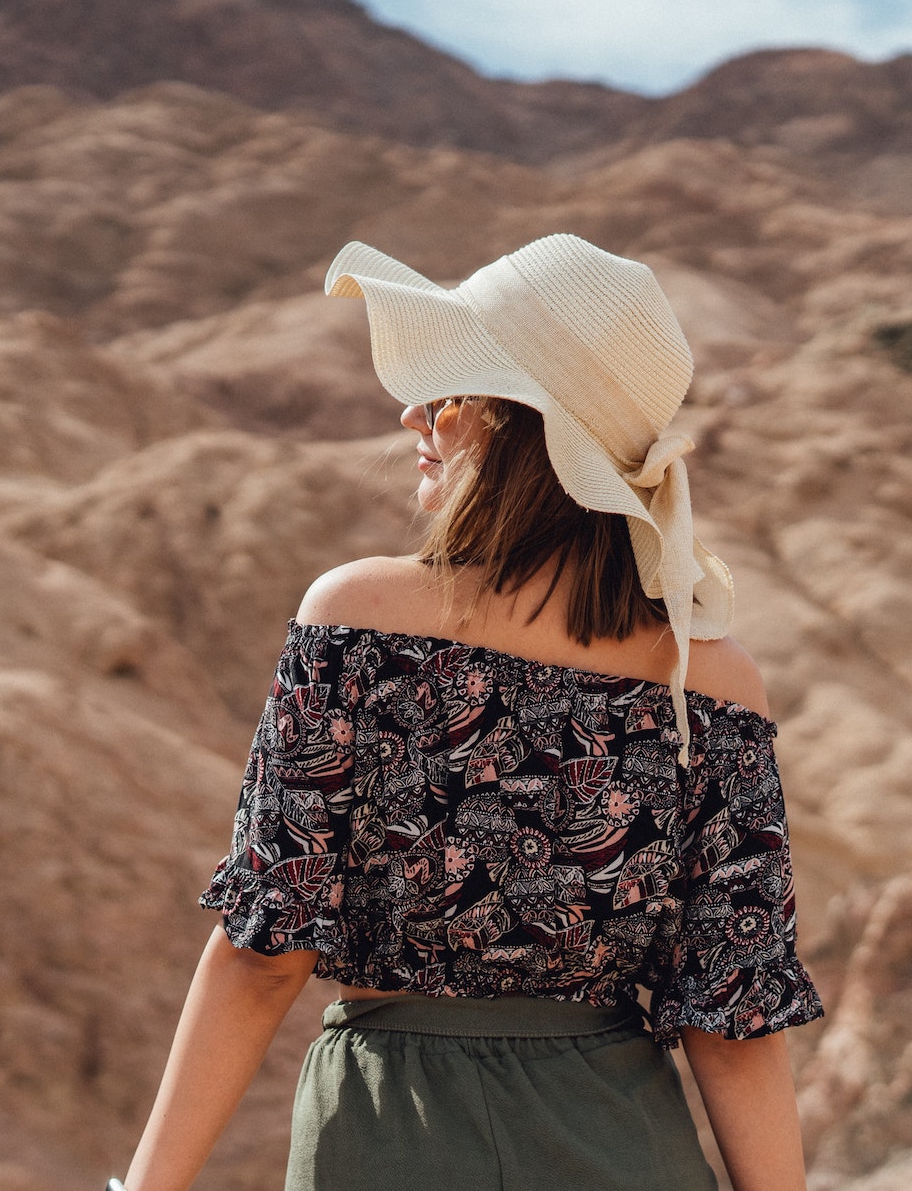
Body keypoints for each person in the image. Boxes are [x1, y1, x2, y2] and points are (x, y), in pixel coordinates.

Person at [116, 234, 823, 1191]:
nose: (415, 414)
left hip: (387, 1141)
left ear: (514, 425)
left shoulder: (356, 620)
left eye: (449, 392)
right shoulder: (713, 690)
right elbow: (730, 1026)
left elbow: (262, 959)